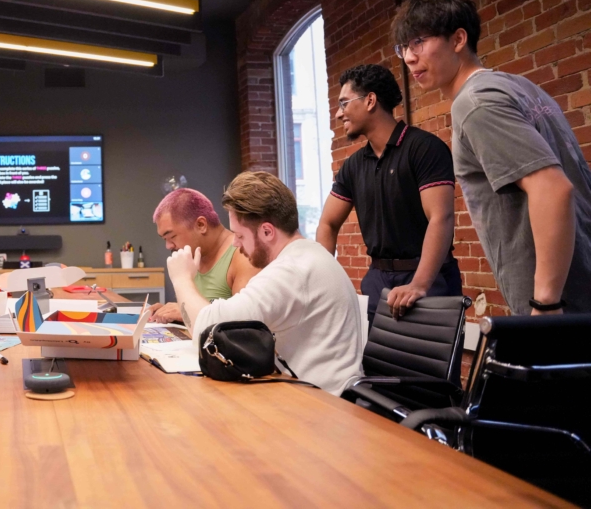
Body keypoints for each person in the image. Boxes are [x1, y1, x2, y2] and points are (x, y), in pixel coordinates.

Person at [394, 0, 591, 315]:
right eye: (403, 47)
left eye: (419, 42)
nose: (409, 57)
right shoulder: (521, 87)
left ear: (458, 39)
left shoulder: (475, 103)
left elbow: (554, 188)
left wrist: (545, 304)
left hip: (562, 307)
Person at [169, 171, 363, 395]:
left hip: (319, 405)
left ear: (267, 231)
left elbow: (208, 330)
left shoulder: (292, 272)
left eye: (240, 236)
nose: (234, 244)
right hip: (312, 395)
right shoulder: (308, 255)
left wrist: (181, 278)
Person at [316, 64, 460, 321]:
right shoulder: (353, 165)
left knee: (428, 363)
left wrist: (419, 284)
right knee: (379, 363)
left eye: (344, 103)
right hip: (377, 282)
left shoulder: (424, 149)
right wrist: (322, 281)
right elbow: (328, 223)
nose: (339, 114)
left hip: (429, 279)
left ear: (370, 100)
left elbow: (441, 218)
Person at [148, 188, 258, 322]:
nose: (168, 246)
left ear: (201, 225)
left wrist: (186, 311)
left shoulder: (242, 256)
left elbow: (246, 326)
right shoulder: (191, 257)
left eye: (172, 236)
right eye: (164, 239)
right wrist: (170, 313)